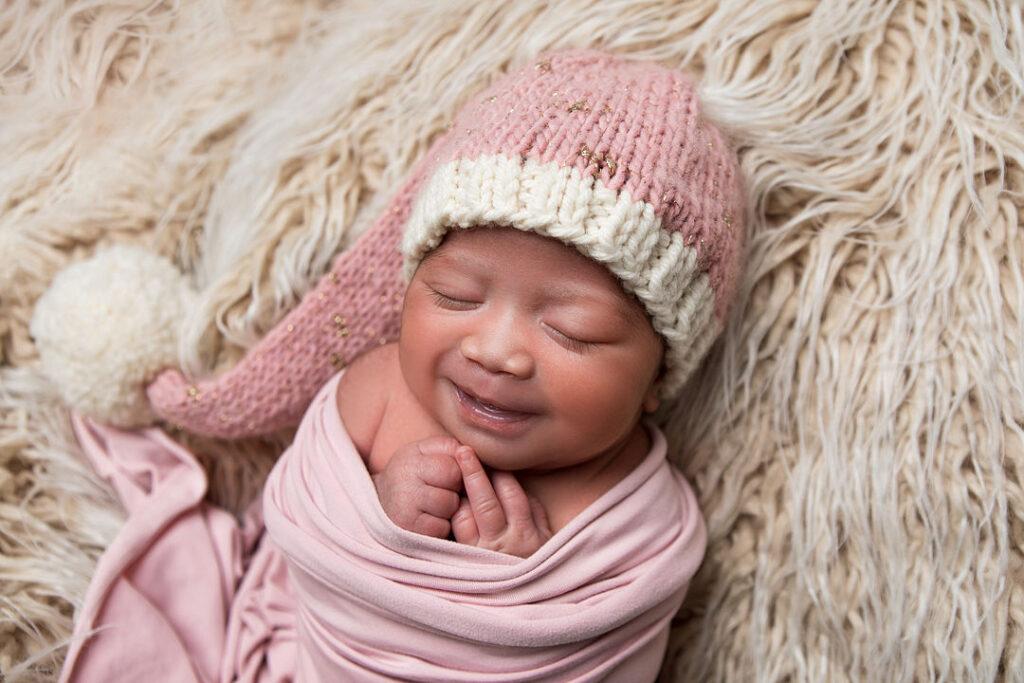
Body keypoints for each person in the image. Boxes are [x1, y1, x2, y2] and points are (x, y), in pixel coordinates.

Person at [51, 49, 744, 681]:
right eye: (455, 295)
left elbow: (603, 644)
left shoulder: (632, 512)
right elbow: (301, 514)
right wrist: (384, 514)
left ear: (659, 376)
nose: (495, 351)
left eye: (573, 331)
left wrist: (509, 582)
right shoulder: (380, 391)